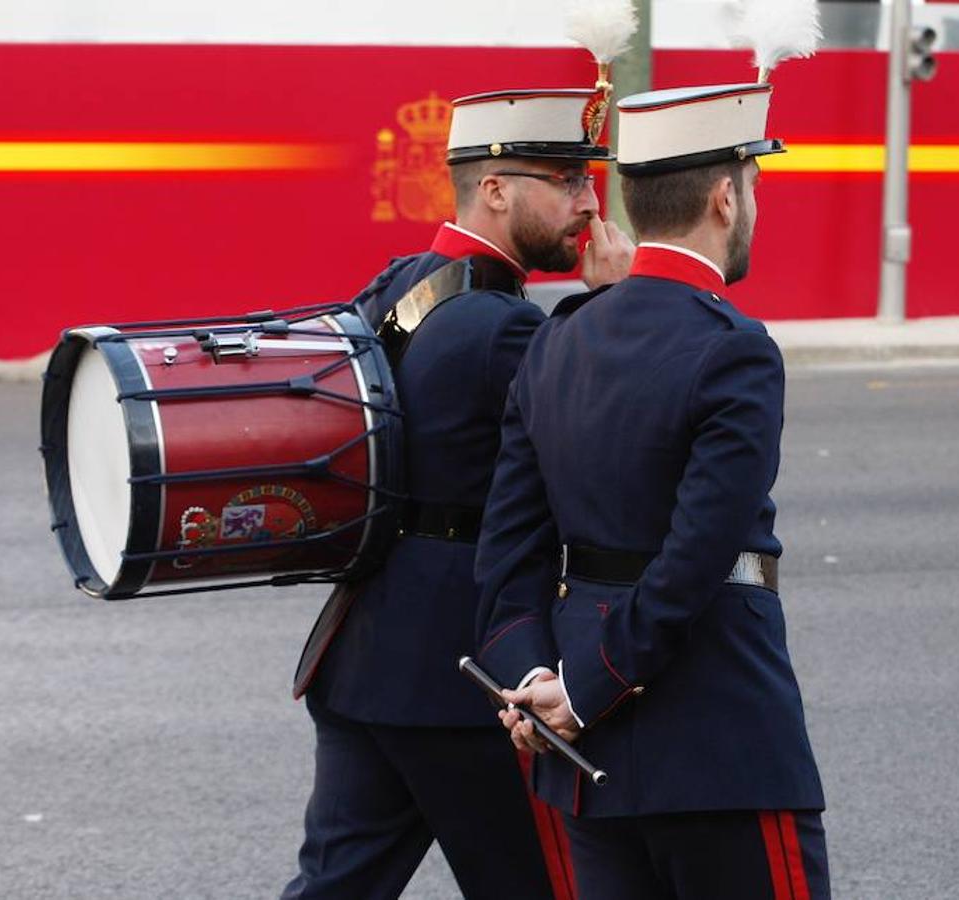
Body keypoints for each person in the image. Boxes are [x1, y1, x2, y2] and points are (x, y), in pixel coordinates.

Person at [474, 82, 831, 899]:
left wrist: (533, 684)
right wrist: (582, 691)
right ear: (724, 198)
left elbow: (507, 553)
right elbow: (695, 559)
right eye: (753, 187)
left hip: (581, 754)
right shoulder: (735, 349)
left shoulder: (558, 340)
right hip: (715, 739)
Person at [283, 86, 634, 900]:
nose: (590, 203)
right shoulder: (507, 326)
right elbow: (611, 454)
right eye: (567, 181)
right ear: (496, 189)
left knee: (335, 887)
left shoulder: (404, 282)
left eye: (589, 180)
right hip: (463, 683)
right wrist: (617, 307)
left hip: (362, 659)